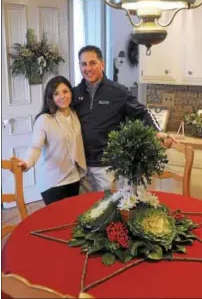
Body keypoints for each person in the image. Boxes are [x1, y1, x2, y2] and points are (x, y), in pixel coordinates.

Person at [72, 45, 173, 192]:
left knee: (108, 208)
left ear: (102, 64)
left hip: (107, 166)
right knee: (86, 208)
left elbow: (142, 112)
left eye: (92, 63)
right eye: (83, 64)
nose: (88, 68)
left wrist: (158, 132)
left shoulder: (118, 91)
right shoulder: (74, 94)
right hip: (80, 166)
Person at [14, 76, 87, 205]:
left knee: (72, 217)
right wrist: (27, 163)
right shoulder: (44, 120)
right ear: (51, 97)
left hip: (73, 177)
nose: (62, 96)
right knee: (57, 220)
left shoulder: (74, 115)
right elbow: (35, 146)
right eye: (56, 93)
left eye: (65, 91)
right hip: (53, 181)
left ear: (71, 92)